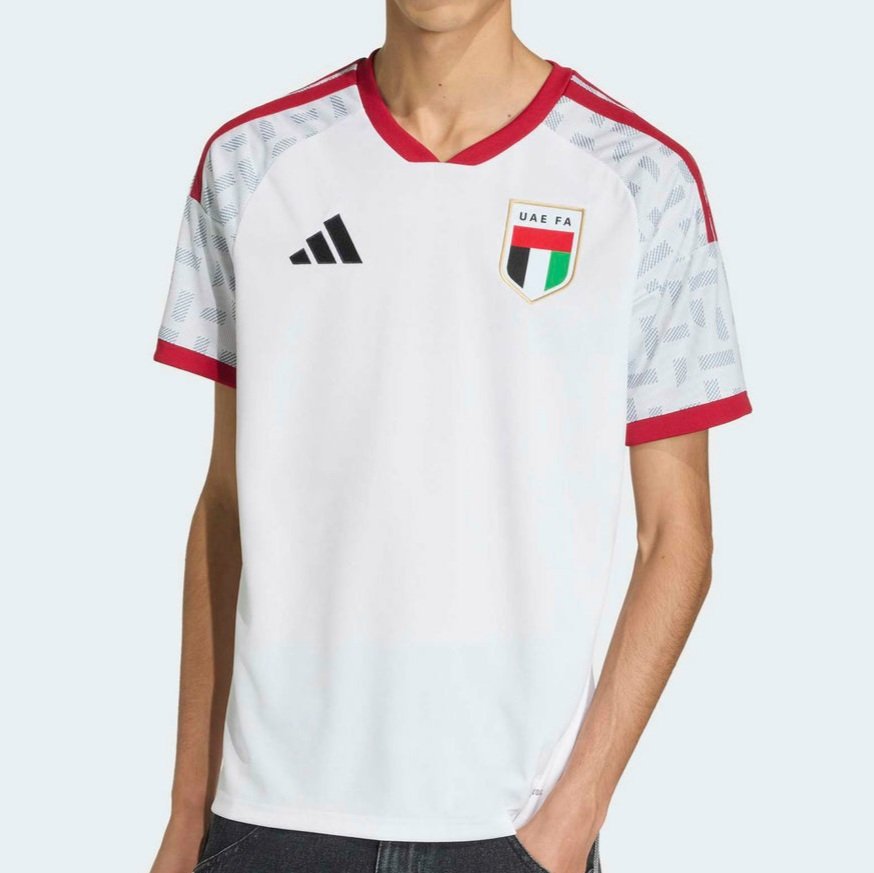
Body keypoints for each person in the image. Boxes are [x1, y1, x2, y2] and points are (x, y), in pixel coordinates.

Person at [148, 1, 752, 871]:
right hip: (270, 814)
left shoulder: (643, 181)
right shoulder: (251, 163)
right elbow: (226, 505)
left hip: (515, 825)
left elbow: (678, 537)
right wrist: (185, 812)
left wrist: (568, 823)